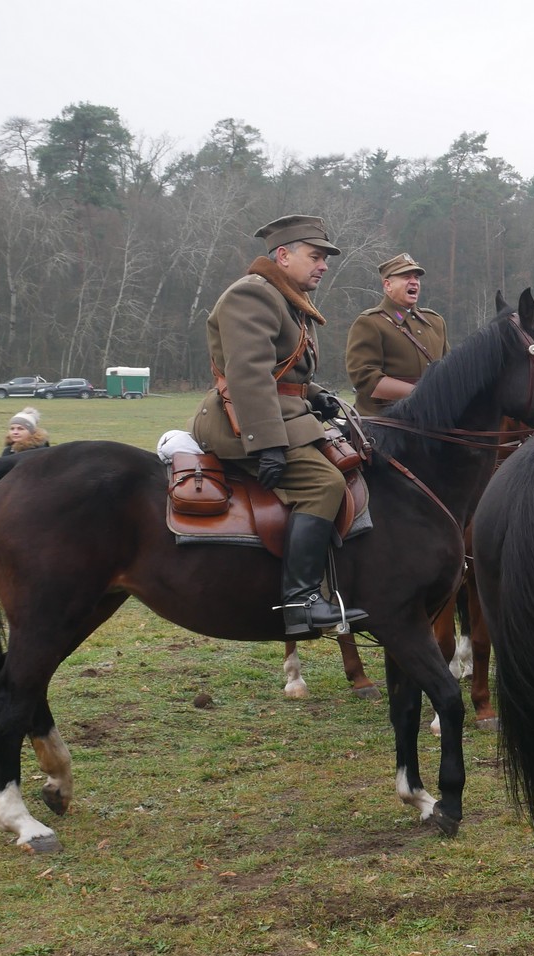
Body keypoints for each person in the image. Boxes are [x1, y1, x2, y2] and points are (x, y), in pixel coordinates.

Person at [191, 213, 361, 638]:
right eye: (315, 256)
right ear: (283, 255)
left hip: (284, 416)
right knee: (323, 484)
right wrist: (266, 445)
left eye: (325, 258)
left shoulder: (286, 299)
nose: (323, 265)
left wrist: (317, 393)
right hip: (241, 422)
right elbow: (249, 374)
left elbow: (286, 372)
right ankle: (300, 600)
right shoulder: (252, 296)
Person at [345, 252, 447, 416]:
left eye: (416, 277)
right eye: (406, 277)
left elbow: (447, 369)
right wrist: (419, 394)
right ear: (387, 285)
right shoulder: (370, 322)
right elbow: (365, 378)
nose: (414, 282)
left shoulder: (435, 322)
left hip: (432, 419)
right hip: (385, 423)